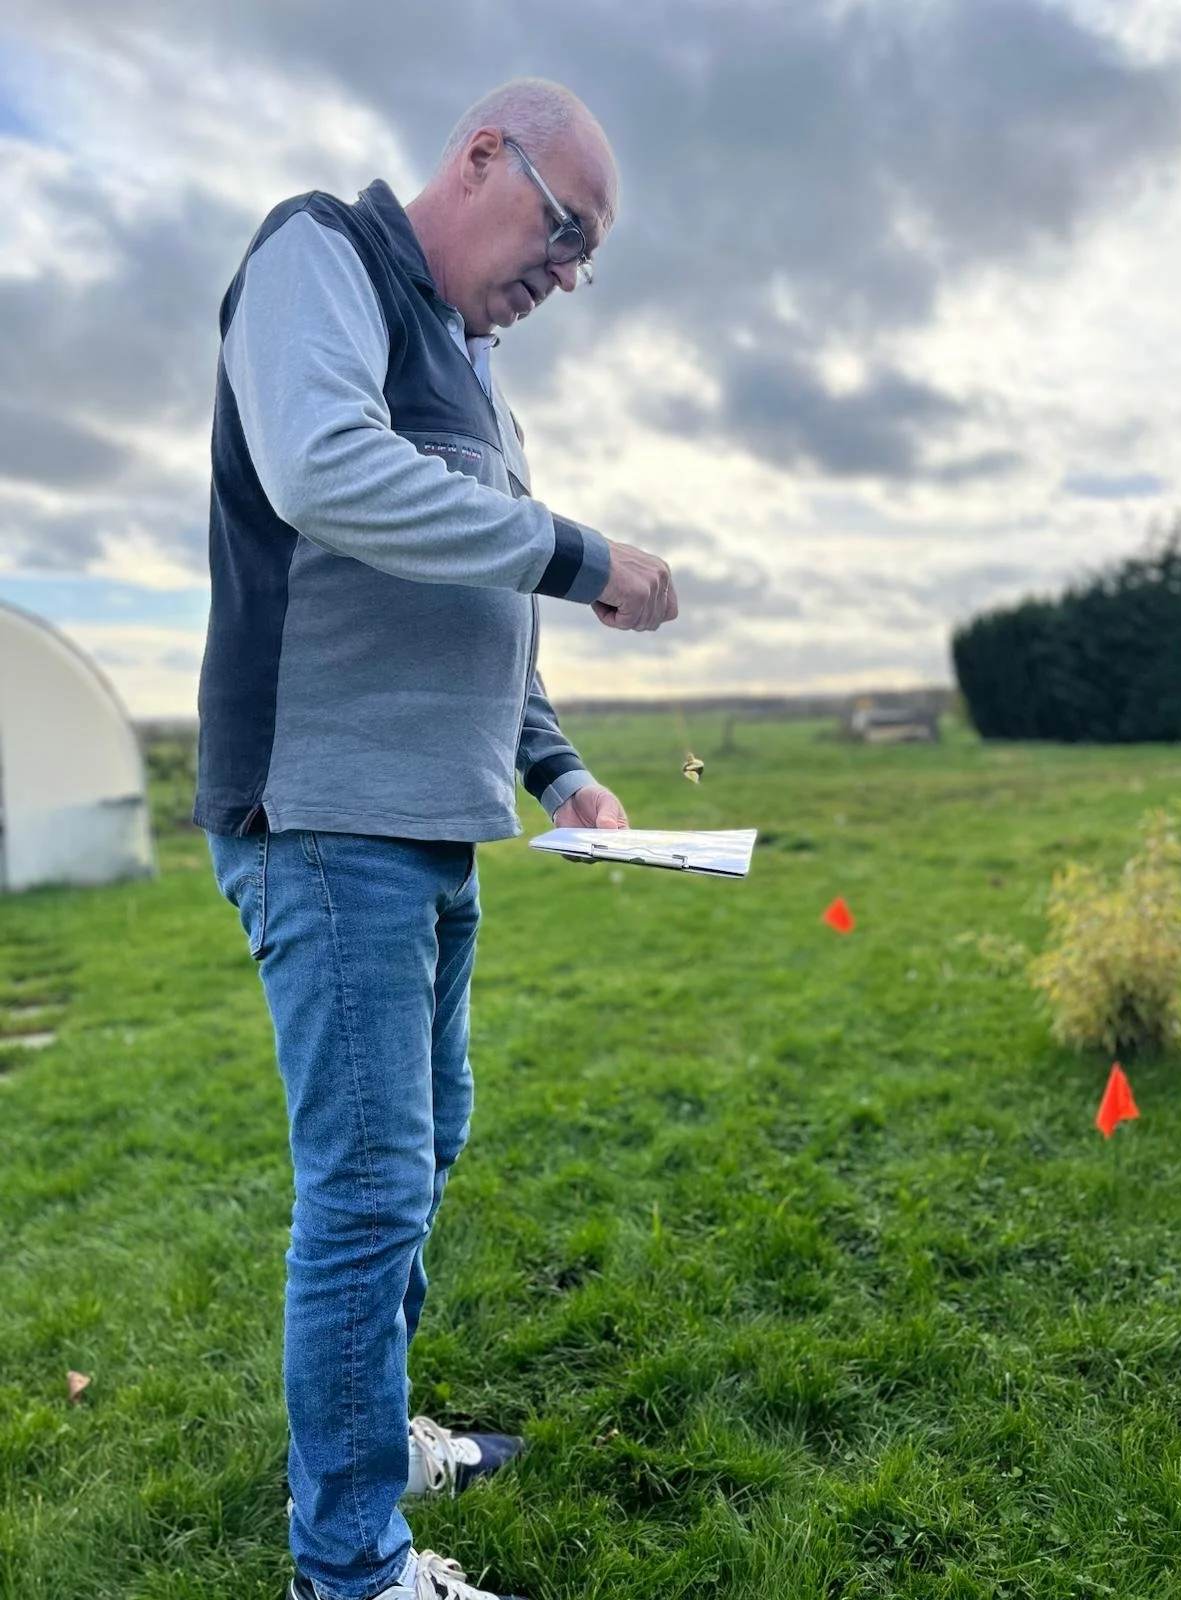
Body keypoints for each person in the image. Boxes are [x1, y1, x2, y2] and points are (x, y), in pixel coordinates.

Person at [193, 78, 678, 1600]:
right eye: (564, 232)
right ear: (483, 158)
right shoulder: (321, 260)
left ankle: (364, 1433)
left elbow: (475, 602)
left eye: (588, 257)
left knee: (421, 1152)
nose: (568, 275)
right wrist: (582, 552)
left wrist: (559, 772)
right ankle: (347, 1564)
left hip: (431, 830)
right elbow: (327, 473)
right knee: (368, 1188)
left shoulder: (475, 372)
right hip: (327, 819)